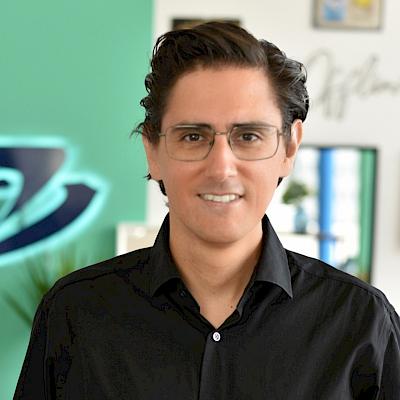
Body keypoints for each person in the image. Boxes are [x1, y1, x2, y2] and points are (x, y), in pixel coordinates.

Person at [15, 22, 400, 399]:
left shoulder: (362, 321)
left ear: (289, 147)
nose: (221, 168)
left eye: (248, 136)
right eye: (193, 136)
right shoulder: (75, 314)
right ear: (153, 150)